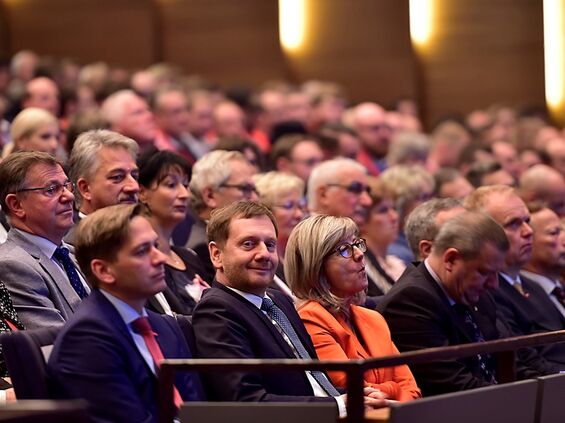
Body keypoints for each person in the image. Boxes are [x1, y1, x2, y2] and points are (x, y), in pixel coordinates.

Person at [192, 201, 387, 415]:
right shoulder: (217, 310)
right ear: (216, 254)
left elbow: (311, 384)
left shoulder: (280, 302)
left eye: (270, 245)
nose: (263, 254)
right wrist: (339, 405)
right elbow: (246, 402)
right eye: (248, 244)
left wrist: (358, 396)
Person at [48, 204, 204, 423]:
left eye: (156, 246)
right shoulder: (86, 339)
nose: (160, 258)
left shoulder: (162, 325)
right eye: (142, 251)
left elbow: (193, 408)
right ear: (103, 270)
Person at [286, 214, 421, 402]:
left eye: (357, 244)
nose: (359, 254)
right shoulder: (311, 319)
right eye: (344, 250)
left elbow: (413, 392)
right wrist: (393, 388)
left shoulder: (373, 318)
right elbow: (354, 392)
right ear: (316, 266)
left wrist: (386, 392)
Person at [378, 212, 509, 396]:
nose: (494, 284)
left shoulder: (474, 292)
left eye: (497, 273)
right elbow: (452, 385)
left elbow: (509, 360)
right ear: (451, 259)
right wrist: (519, 400)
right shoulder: (410, 301)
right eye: (484, 272)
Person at [465, 185, 565, 372]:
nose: (528, 231)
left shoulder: (532, 285)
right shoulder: (485, 291)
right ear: (481, 234)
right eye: (513, 224)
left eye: (527, 221)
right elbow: (520, 363)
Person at [0, 152, 89, 328]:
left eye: (65, 186)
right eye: (51, 189)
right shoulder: (13, 265)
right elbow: (57, 345)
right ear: (16, 205)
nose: (69, 196)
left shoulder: (72, 254)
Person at [138, 149, 209, 315]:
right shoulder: (142, 262)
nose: (184, 194)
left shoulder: (190, 257)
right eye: (171, 185)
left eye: (185, 185)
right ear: (142, 192)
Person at [181, 150, 258, 280]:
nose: (255, 198)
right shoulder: (202, 248)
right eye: (245, 189)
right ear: (210, 196)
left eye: (254, 190)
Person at [66, 129, 140, 244]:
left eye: (134, 176)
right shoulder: (74, 249)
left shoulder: (147, 237)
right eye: (117, 177)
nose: (134, 187)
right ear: (85, 188)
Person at [254, 171, 306, 295]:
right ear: (265, 210)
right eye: (289, 206)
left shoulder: (301, 255)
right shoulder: (260, 261)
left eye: (301, 206)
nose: (299, 215)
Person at [360, 177, 406, 296]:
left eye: (394, 208)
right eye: (383, 210)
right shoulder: (360, 266)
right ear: (361, 220)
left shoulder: (396, 263)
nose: (394, 216)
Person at [521, 205, 565, 319]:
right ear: (527, 241)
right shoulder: (521, 299)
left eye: (562, 230)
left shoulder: (560, 289)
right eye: (554, 233)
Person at [308, 157, 372, 228]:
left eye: (367, 191)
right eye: (355, 189)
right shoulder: (301, 237)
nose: (367, 201)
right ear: (323, 195)